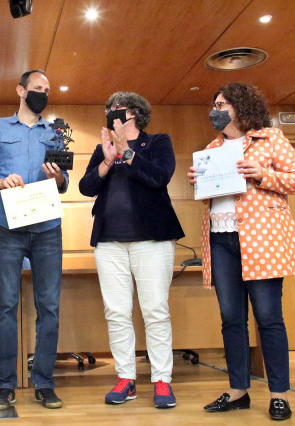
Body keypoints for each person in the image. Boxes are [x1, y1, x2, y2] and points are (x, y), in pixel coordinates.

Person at [187, 82, 295, 421]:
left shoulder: (271, 138)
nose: (216, 108)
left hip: (262, 240)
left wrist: (263, 174)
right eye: (214, 104)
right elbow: (212, 195)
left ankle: (279, 395)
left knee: (269, 319)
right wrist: (198, 181)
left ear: (241, 107)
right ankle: (238, 390)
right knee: (231, 319)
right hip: (221, 238)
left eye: (222, 103)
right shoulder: (211, 147)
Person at [79, 92, 184, 409]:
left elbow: (160, 177)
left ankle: (162, 380)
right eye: (107, 108)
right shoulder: (102, 148)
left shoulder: (158, 143)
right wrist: (109, 159)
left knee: (155, 311)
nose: (110, 113)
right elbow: (86, 187)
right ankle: (126, 378)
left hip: (152, 240)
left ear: (135, 113)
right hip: (109, 241)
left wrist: (128, 153)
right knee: (117, 312)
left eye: (116, 109)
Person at [0, 69, 69, 410]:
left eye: (47, 89)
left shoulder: (57, 131)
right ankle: (5, 385)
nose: (43, 94)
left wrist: (58, 178)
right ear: (20, 90)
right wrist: (0, 182)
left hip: (47, 229)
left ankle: (44, 383)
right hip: (7, 229)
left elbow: (65, 181)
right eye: (37, 89)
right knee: (5, 306)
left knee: (50, 307)